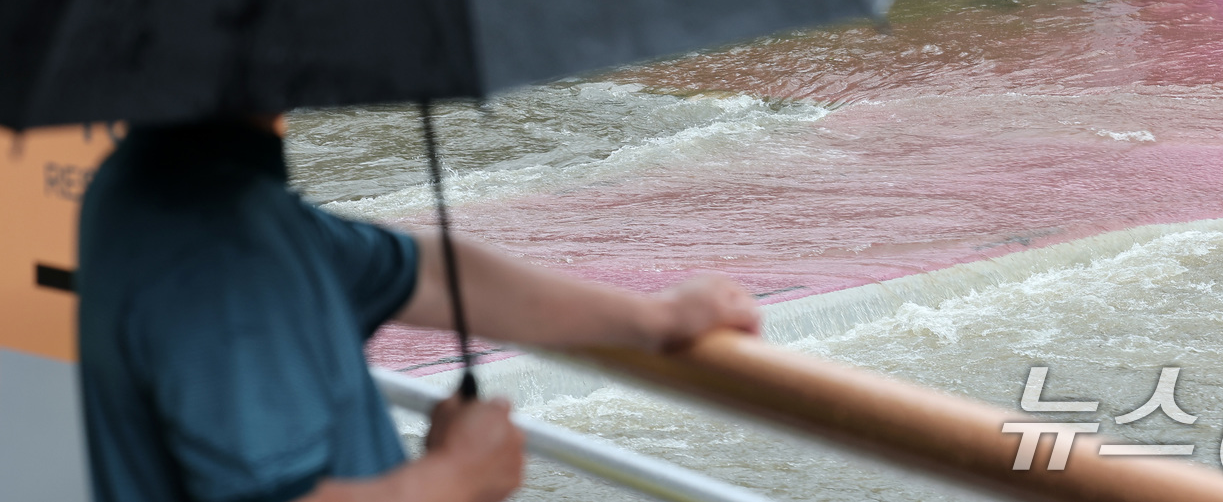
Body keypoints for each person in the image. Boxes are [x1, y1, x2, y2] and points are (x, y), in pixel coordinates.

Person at [78, 117, 760, 502]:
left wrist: (657, 320)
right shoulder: (225, 244)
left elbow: (429, 275)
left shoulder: (147, 182)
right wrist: (456, 475)